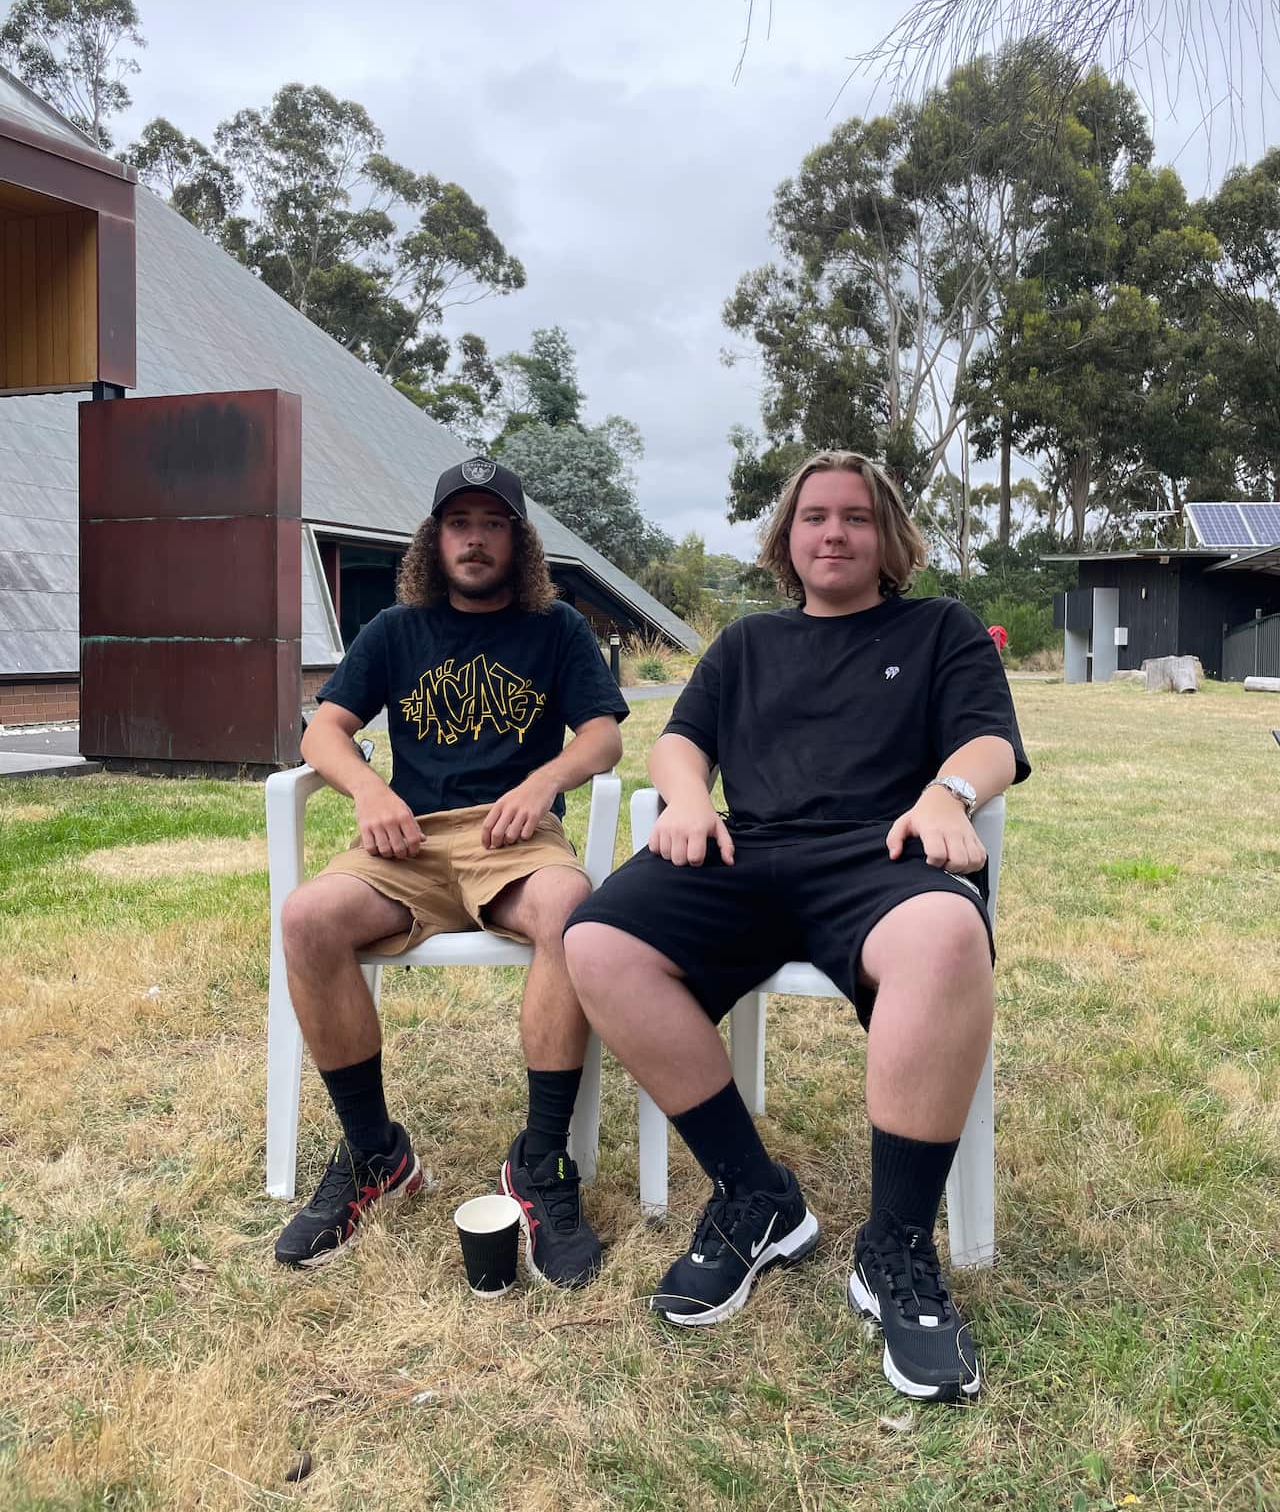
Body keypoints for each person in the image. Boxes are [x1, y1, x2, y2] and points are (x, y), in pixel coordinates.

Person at [564, 450, 1029, 1400]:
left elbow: (992, 743)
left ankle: (894, 1249)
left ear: (887, 537)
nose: (834, 532)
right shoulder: (744, 644)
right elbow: (679, 743)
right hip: (749, 855)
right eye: (815, 516)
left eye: (856, 517)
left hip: (880, 855)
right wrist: (687, 799)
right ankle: (756, 1196)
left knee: (946, 935)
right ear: (788, 537)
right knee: (597, 938)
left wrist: (948, 794)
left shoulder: (939, 629)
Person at [275, 457, 627, 1283]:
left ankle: (540, 1163)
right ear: (435, 540)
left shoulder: (558, 631)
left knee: (571, 907)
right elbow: (321, 732)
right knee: (306, 917)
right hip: (409, 842)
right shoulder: (395, 630)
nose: (475, 538)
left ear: (519, 539)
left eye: (493, 523)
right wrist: (366, 787)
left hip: (516, 840)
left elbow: (603, 735)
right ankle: (375, 1157)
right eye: (459, 523)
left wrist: (543, 781)